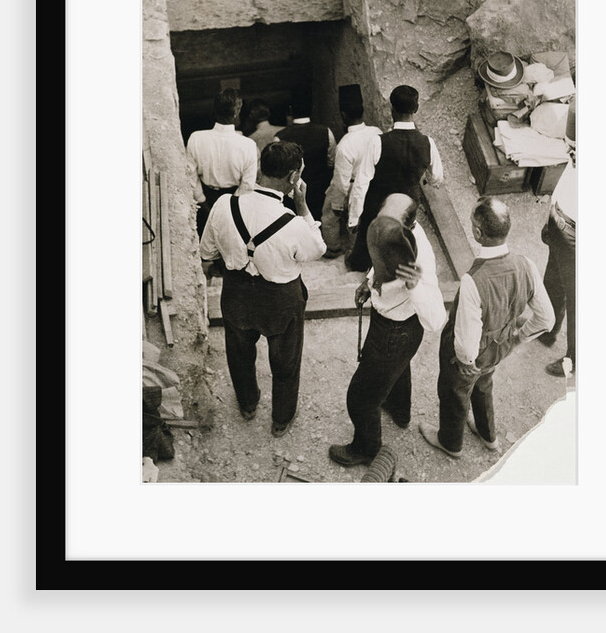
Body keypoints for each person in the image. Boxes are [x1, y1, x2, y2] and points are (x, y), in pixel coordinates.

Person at [199, 141, 327, 437]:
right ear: (294, 178)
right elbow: (318, 248)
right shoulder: (294, 224)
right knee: (286, 360)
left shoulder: (223, 205)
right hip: (281, 299)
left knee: (239, 354)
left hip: (236, 293)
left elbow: (206, 254)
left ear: (261, 168)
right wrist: (304, 208)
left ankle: (247, 403)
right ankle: (281, 419)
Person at [418, 196, 555, 458]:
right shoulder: (526, 264)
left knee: (455, 393)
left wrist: (465, 359)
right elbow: (547, 318)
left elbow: (467, 339)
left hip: (473, 353)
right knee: (483, 385)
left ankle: (450, 442)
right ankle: (487, 434)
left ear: (478, 232)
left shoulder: (474, 280)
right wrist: (516, 338)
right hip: (499, 346)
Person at [328, 193, 447, 467]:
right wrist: (369, 283)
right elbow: (382, 254)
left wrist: (414, 286)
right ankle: (399, 411)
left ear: (409, 224)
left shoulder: (420, 262)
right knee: (398, 367)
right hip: (392, 328)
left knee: (360, 399)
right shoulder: (393, 235)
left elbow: (436, 319)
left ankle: (366, 449)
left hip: (397, 332)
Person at [345, 84, 444, 273]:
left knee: (369, 238)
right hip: (408, 207)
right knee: (400, 237)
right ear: (415, 109)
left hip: (378, 205)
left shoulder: (378, 142)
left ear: (392, 109)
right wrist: (427, 179)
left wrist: (354, 218)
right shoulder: (427, 143)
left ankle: (360, 267)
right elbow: (437, 178)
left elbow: (361, 183)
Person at [319, 85, 382, 259]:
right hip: (375, 185)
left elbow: (341, 182)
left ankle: (334, 248)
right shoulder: (376, 132)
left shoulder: (345, 145)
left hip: (355, 188)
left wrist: (338, 206)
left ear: (343, 116)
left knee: (328, 216)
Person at [186, 88, 258, 238]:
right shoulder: (248, 144)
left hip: (206, 200)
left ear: (215, 110)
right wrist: (231, 208)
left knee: (207, 248)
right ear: (237, 112)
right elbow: (247, 185)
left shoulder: (196, 138)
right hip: (235, 203)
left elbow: (190, 175)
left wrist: (203, 203)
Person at [538, 98, 576, 378]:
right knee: (552, 281)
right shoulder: (575, 157)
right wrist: (551, 218)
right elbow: (567, 179)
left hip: (577, 237)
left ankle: (574, 360)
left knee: (578, 302)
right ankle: (548, 329)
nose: (568, 152)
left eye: (573, 149)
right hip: (560, 227)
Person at [274, 88, 336, 221]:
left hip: (292, 196)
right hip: (320, 192)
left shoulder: (280, 137)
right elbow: (331, 162)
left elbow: (277, 171)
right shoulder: (326, 132)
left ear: (290, 110)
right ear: (312, 108)